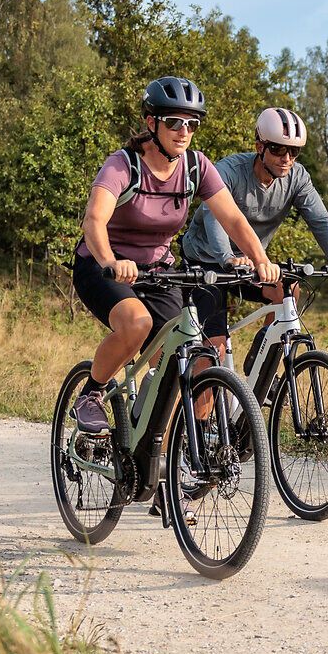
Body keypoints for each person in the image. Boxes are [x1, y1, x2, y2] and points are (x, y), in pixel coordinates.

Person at [72, 77, 279, 437]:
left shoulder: (196, 167)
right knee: (138, 324)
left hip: (159, 273)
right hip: (104, 267)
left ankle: (161, 475)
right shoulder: (124, 165)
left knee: (183, 363)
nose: (184, 131)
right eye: (174, 122)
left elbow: (232, 218)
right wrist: (109, 261)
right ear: (151, 124)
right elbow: (94, 219)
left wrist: (261, 259)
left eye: (192, 124)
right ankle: (91, 393)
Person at [181, 106, 328, 366]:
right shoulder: (229, 171)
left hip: (251, 261)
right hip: (206, 260)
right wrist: (228, 258)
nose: (286, 158)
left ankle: (262, 366)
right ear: (260, 146)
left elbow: (320, 219)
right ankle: (201, 399)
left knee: (287, 290)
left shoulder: (297, 177)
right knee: (214, 352)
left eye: (294, 151)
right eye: (278, 149)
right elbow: (215, 217)